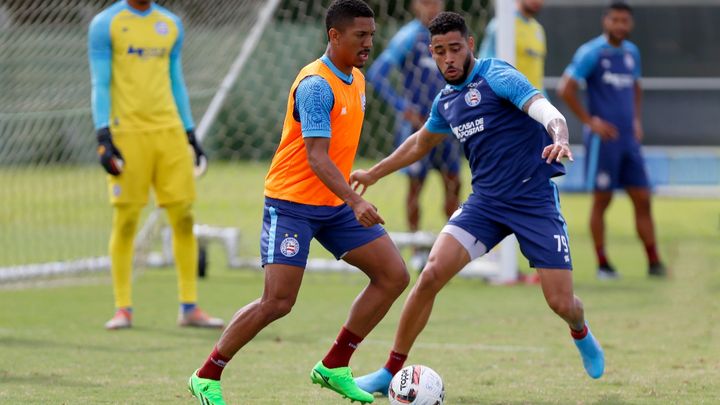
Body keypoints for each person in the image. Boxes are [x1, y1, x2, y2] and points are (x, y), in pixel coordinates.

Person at [351, 12, 605, 396]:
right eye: (439, 52)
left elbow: (543, 108)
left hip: (533, 199)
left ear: (469, 45)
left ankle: (581, 332)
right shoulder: (447, 101)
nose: (448, 59)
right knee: (431, 275)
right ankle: (389, 371)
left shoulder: (497, 76)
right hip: (485, 203)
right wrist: (374, 173)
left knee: (561, 302)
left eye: (454, 49)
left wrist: (561, 135)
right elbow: (420, 143)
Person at [187, 1, 409, 404]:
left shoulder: (356, 79)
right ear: (334, 36)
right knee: (278, 302)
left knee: (394, 275)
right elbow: (316, 156)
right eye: (360, 35)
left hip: (334, 203)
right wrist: (355, 201)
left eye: (372, 35)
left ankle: (335, 365)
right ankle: (206, 375)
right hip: (292, 204)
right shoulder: (315, 85)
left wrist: (347, 197)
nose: (368, 43)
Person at [88, 0, 224, 330]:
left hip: (170, 133)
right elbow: (100, 83)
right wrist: (103, 135)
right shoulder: (105, 24)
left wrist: (190, 133)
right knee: (126, 219)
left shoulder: (171, 24)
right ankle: (123, 308)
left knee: (184, 216)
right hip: (127, 134)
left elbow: (176, 82)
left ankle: (189, 307)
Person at [557, 1, 666, 279]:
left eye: (624, 21)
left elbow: (636, 86)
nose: (620, 25)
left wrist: (636, 121)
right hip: (604, 143)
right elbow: (565, 88)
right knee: (602, 201)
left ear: (630, 24)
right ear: (605, 21)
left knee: (642, 198)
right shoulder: (591, 52)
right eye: (615, 20)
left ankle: (654, 261)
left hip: (629, 140)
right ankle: (603, 263)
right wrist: (590, 121)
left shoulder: (632, 53)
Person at [366, 0, 461, 271]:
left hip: (449, 125)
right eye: (425, 2)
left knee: (454, 183)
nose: (432, 7)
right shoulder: (408, 37)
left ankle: (453, 248)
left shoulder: (448, 38)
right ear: (414, 6)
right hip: (419, 126)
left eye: (436, 2)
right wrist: (401, 107)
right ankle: (418, 249)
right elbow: (377, 74)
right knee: (416, 187)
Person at [478, 0, 547, 284]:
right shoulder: (500, 27)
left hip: (532, 127)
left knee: (534, 190)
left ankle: (535, 266)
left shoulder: (538, 30)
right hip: (504, 127)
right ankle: (495, 262)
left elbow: (536, 81)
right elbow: (482, 69)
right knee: (497, 190)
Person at [479, 0, 546, 94]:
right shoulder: (501, 26)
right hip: (509, 102)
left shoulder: (538, 30)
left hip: (534, 103)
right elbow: (484, 68)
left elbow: (538, 76)